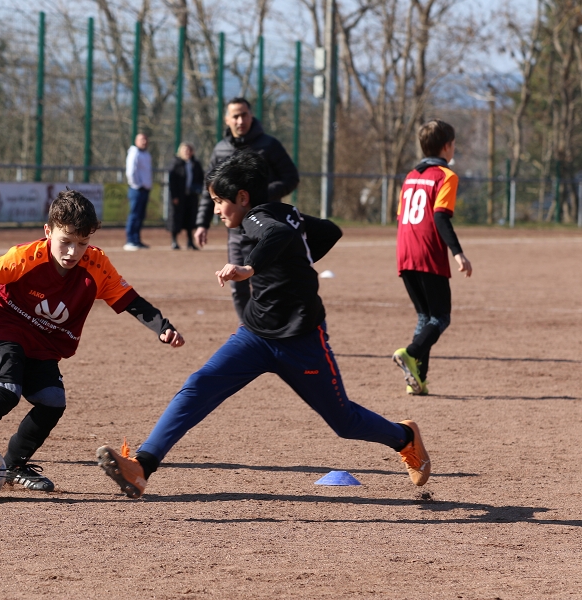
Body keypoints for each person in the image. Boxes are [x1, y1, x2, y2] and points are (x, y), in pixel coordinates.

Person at [96, 150, 430, 499]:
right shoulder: (284, 212)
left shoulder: (256, 217)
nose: (215, 210)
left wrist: (250, 267)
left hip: (301, 340)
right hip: (255, 335)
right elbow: (329, 230)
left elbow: (277, 236)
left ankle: (405, 437)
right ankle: (142, 467)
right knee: (199, 386)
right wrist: (296, 261)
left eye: (218, 201)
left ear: (242, 197)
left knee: (344, 421)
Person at [0, 190, 185, 500]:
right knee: (7, 392)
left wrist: (162, 327)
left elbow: (129, 300)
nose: (73, 251)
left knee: (52, 401)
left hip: (43, 343)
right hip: (2, 328)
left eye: (82, 243)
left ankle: (13, 465)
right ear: (48, 232)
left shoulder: (96, 265)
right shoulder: (25, 258)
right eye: (66, 241)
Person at [194, 97, 299, 320]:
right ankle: (248, 330)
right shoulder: (221, 149)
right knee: (236, 283)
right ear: (227, 119)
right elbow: (209, 190)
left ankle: (280, 328)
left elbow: (291, 177)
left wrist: (259, 194)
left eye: (244, 115)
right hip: (235, 230)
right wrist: (201, 224)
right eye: (235, 116)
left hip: (266, 224)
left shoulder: (269, 145)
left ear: (251, 116)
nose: (240, 120)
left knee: (271, 280)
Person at [392, 119, 472, 396]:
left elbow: (402, 217)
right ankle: (410, 352)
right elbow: (440, 216)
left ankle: (417, 380)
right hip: (427, 252)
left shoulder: (411, 175)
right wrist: (458, 252)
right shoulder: (446, 176)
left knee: (424, 316)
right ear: (447, 146)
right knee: (440, 317)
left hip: (405, 251)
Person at [167, 142, 204, 250]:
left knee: (190, 218)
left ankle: (190, 241)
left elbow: (200, 179)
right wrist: (175, 196)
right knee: (176, 218)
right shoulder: (176, 163)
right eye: (185, 150)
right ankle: (174, 241)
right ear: (180, 152)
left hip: (191, 196)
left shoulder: (195, 164)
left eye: (189, 150)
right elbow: (172, 181)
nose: (187, 152)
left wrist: (198, 189)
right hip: (179, 196)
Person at [124, 133, 152, 251]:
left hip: (145, 189)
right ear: (136, 141)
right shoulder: (134, 152)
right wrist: (137, 185)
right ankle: (130, 240)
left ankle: (137, 240)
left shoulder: (146, 154)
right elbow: (130, 171)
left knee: (140, 215)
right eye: (141, 139)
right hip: (137, 190)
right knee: (134, 215)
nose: (144, 141)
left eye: (145, 139)